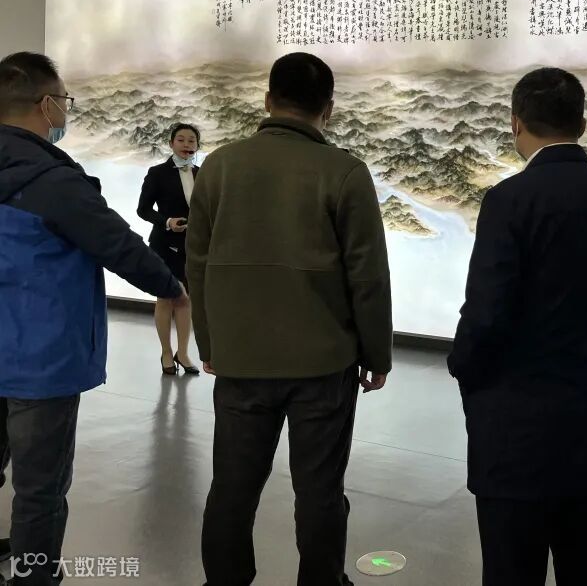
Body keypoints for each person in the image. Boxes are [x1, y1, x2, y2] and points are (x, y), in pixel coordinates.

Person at [186, 52, 393, 586]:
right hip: (323, 364)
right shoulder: (345, 171)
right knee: (320, 491)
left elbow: (198, 265)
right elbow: (368, 275)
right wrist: (377, 353)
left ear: (267, 100)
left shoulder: (219, 166)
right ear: (329, 108)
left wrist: (209, 343)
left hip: (241, 360)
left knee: (232, 488)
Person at [448, 67, 587, 586]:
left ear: (516, 123)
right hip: (583, 409)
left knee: (512, 567)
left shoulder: (508, 200)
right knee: (581, 563)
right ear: (582, 124)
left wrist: (462, 366)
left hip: (512, 423)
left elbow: (486, 313)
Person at [0, 52, 188, 585]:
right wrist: (172, 287)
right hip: (41, 359)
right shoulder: (54, 179)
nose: (65, 109)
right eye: (64, 99)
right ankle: (35, 577)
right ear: (47, 105)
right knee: (39, 488)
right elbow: (118, 246)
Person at [138, 123, 203, 376]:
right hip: (164, 245)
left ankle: (183, 353)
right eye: (181, 140)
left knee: (187, 299)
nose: (187, 145)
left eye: (192, 141)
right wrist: (167, 221)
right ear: (171, 144)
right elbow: (143, 210)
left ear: (197, 146)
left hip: (192, 245)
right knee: (166, 298)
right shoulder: (157, 173)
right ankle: (166, 352)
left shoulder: (202, 173)